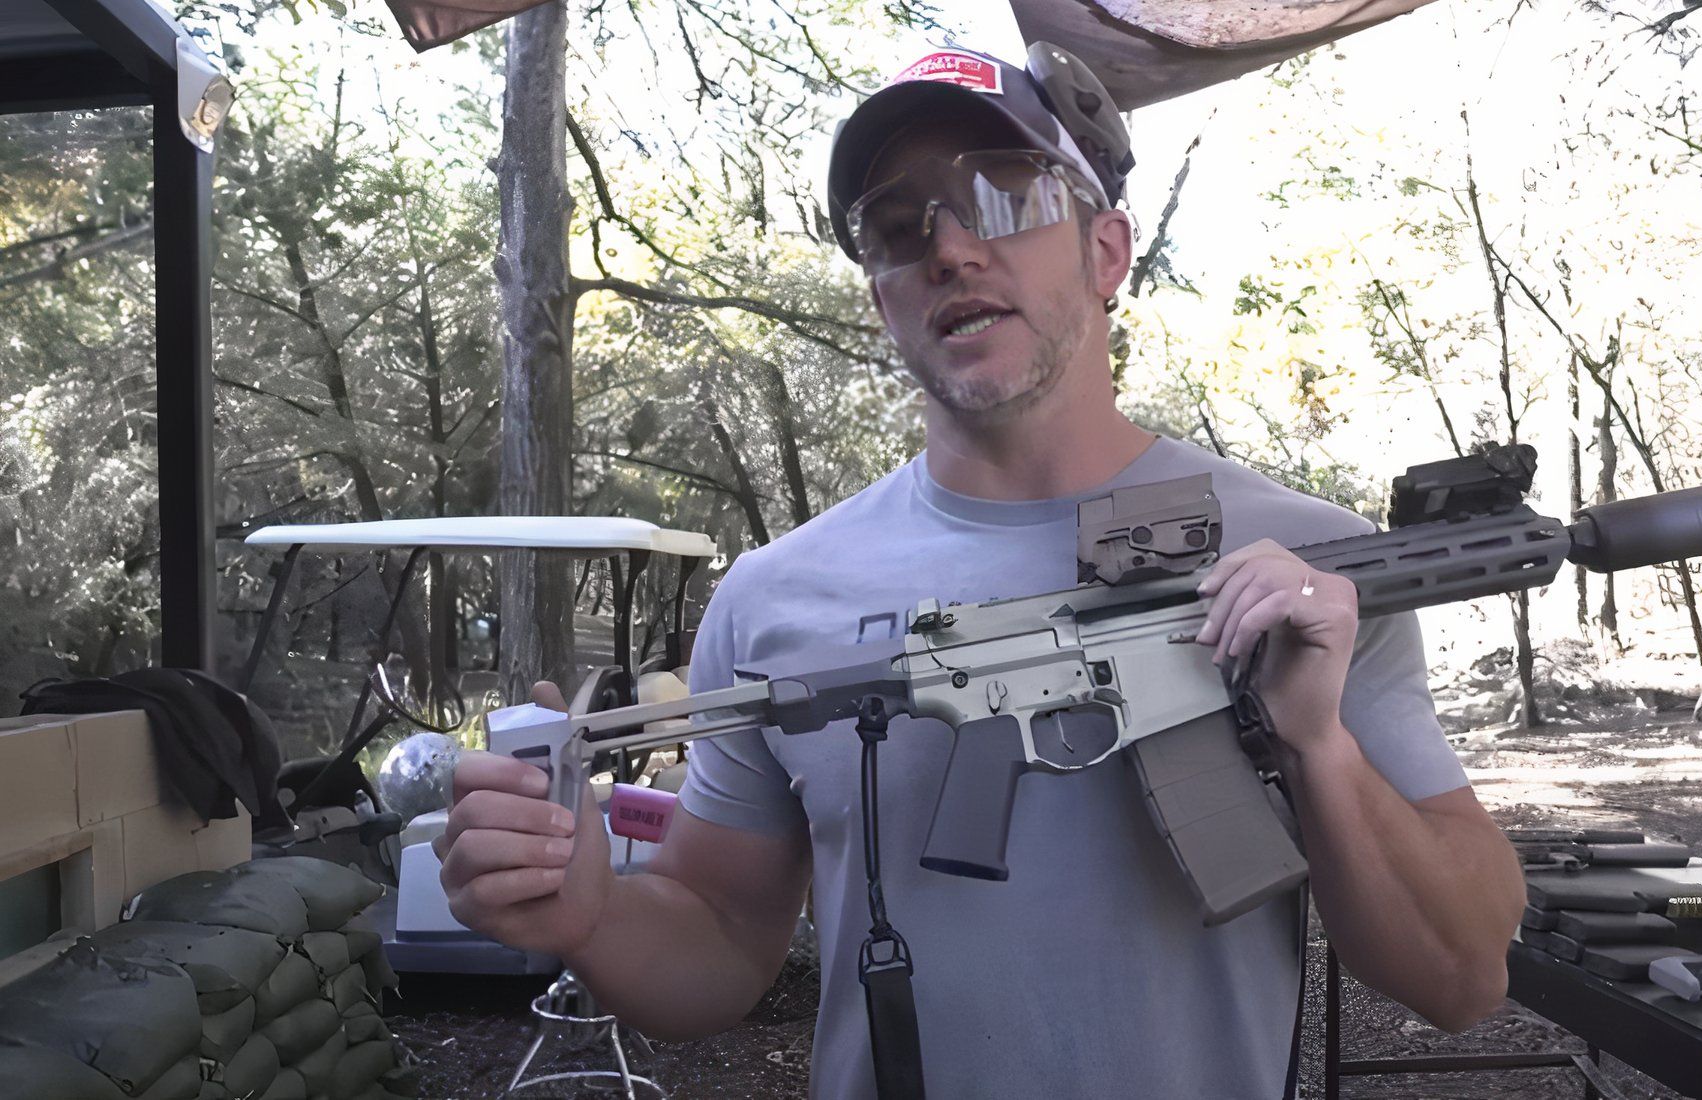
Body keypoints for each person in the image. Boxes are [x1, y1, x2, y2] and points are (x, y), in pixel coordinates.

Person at [437, 42, 1526, 1098]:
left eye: (1004, 195)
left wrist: (1316, 744)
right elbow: (719, 942)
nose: (950, 250)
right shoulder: (775, 597)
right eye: (899, 227)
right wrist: (585, 912)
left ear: (1105, 252)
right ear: (880, 299)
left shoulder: (1304, 567)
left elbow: (1462, 975)